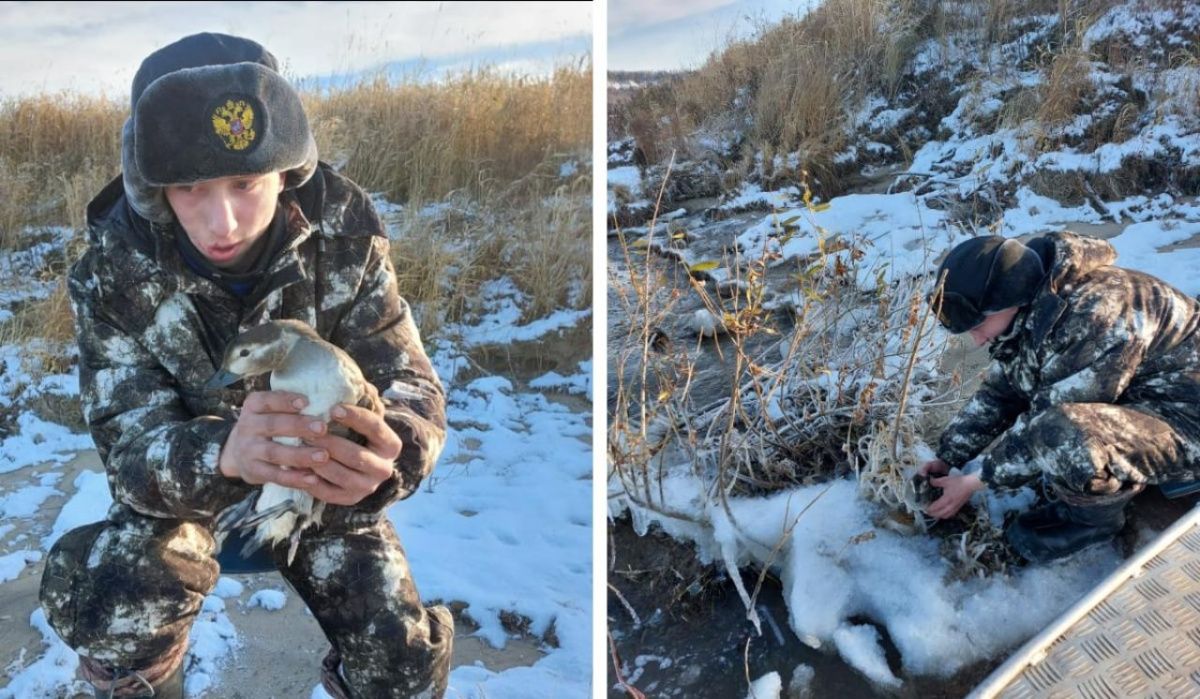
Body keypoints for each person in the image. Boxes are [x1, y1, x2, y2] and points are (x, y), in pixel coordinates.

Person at [38, 33, 453, 698]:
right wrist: (225, 452)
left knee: (402, 661)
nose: (222, 220)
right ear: (152, 190)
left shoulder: (347, 240)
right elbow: (129, 451)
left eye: (245, 182)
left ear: (285, 170)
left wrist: (390, 453)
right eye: (190, 187)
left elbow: (411, 385)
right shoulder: (112, 272)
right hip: (180, 503)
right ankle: (140, 679)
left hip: (319, 493)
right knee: (116, 601)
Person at [918, 232, 1200, 563]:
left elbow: (1049, 426)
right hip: (1145, 398)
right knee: (1052, 430)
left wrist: (977, 480)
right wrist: (950, 454)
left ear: (1009, 297)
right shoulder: (1040, 304)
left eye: (979, 325)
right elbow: (1003, 390)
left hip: (1187, 421)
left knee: (1062, 433)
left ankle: (1091, 523)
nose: (977, 340)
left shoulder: (1093, 316)